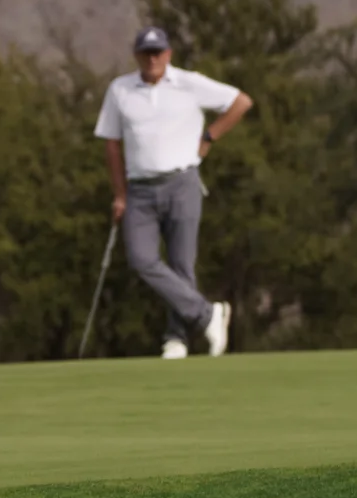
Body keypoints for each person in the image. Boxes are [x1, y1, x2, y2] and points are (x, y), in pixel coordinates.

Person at [94, 27, 253, 359]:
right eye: (146, 53)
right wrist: (119, 194)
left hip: (182, 183)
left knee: (182, 265)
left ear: (168, 54)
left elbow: (240, 102)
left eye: (158, 52)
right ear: (136, 55)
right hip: (139, 189)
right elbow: (111, 144)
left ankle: (176, 339)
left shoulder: (188, 83)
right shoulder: (120, 89)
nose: (152, 59)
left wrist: (208, 138)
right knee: (141, 259)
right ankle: (207, 315)